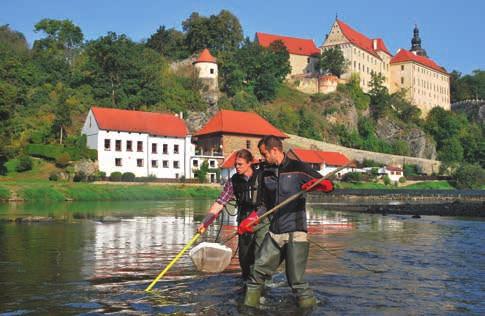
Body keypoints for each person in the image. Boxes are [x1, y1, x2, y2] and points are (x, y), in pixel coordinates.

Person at [238, 135, 333, 309]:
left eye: (264, 153)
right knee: (256, 273)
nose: (263, 157)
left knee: (296, 281)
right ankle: (248, 310)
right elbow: (264, 204)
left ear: (274, 150)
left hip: (295, 232)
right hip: (274, 232)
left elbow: (329, 185)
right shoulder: (266, 172)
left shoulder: (298, 168)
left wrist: (321, 186)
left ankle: (309, 310)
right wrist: (251, 219)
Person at [197, 149, 269, 280]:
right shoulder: (233, 181)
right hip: (243, 221)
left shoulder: (262, 176)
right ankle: (246, 283)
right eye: (236, 164)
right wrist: (205, 222)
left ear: (249, 163)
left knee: (261, 256)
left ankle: (261, 287)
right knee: (245, 259)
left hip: (261, 218)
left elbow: (270, 201)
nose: (236, 167)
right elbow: (220, 202)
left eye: (240, 164)